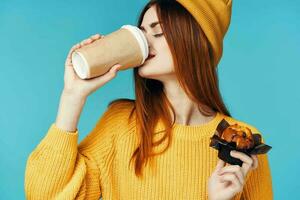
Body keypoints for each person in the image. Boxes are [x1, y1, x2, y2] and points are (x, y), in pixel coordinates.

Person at [25, 0, 273, 199]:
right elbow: (43, 195)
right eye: (142, 32)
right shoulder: (121, 124)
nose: (143, 42)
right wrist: (72, 95)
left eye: (159, 32)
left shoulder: (244, 143)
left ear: (194, 43)